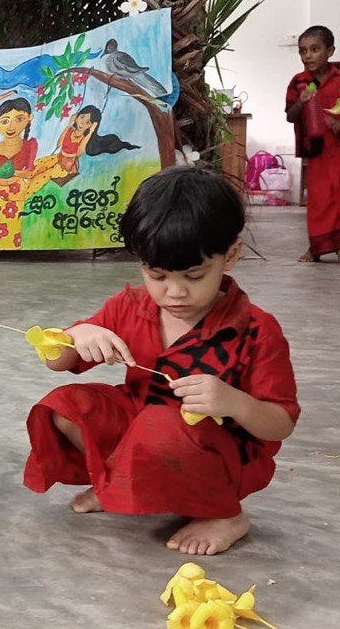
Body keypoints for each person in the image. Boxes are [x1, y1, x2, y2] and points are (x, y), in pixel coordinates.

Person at [23, 165, 299, 556]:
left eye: (194, 276)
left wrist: (234, 402)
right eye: (157, 275)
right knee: (66, 408)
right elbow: (60, 361)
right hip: (144, 424)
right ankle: (118, 483)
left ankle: (225, 514)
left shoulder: (257, 330)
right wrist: (72, 337)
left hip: (217, 449)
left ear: (231, 255)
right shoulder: (130, 306)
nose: (175, 293)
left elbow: (280, 424)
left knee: (162, 425)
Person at [285, 25, 340, 266]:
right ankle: (318, 249)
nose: (308, 56)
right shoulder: (298, 83)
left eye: (314, 49)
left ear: (330, 51)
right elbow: (290, 115)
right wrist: (302, 102)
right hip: (315, 151)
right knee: (319, 200)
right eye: (303, 51)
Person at [0, 97, 38, 249]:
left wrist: (12, 173)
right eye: (5, 121)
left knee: (12, 234)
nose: (12, 126)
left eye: (19, 119)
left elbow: (30, 174)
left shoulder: (29, 145)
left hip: (16, 196)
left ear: (29, 119)